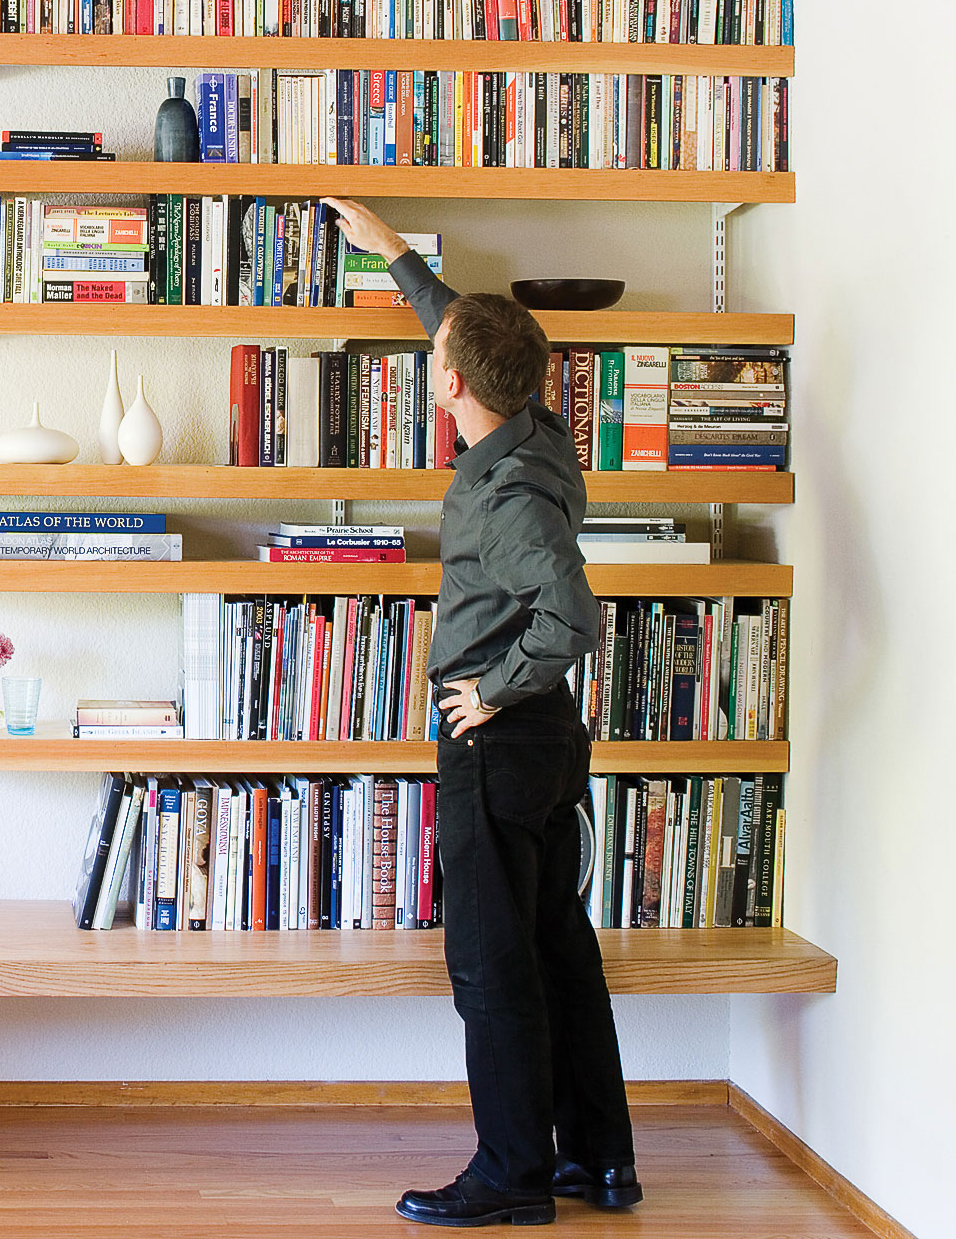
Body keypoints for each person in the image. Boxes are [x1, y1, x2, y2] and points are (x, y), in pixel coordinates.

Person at [320, 199, 642, 1228]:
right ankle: (597, 1162)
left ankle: (508, 1171)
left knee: (492, 962)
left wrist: (492, 686)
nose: (432, 352)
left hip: (495, 737)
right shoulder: (535, 428)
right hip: (545, 737)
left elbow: (573, 613)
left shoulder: (505, 495)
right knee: (556, 948)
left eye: (438, 351)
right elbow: (462, 326)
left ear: (449, 382)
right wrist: (397, 256)